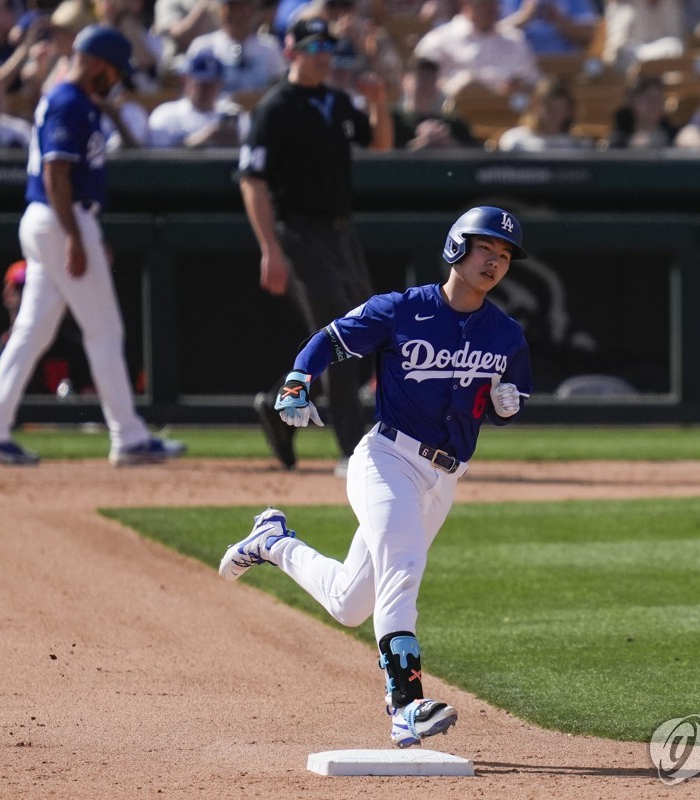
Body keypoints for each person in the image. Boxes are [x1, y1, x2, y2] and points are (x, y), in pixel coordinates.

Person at [218, 205, 532, 749]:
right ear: (457, 247)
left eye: (504, 255)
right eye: (486, 248)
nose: (495, 262)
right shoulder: (403, 309)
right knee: (403, 569)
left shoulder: (506, 334)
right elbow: (330, 339)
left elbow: (513, 395)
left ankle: (272, 543)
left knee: (349, 603)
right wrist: (296, 382)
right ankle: (405, 705)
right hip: (387, 461)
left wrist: (508, 404)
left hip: (445, 479)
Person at [0, 25, 186, 467]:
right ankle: (129, 436)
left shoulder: (73, 99)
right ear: (98, 63)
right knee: (104, 331)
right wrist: (74, 237)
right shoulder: (69, 101)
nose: (116, 79)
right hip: (58, 217)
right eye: (115, 71)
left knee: (32, 333)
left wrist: (84, 234)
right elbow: (56, 175)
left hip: (55, 219)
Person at [238, 15, 393, 472]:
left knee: (367, 333)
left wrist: (378, 102)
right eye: (311, 47)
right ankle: (352, 449)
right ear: (291, 53)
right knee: (341, 334)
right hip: (299, 233)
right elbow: (253, 181)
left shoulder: (335, 101)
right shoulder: (275, 108)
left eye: (326, 47)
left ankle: (277, 407)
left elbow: (380, 145)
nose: (321, 55)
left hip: (341, 234)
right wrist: (270, 248)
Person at [0, 260, 93, 397]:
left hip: (58, 418)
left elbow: (88, 401)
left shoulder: (73, 350)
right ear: (8, 295)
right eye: (26, 289)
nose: (34, 297)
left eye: (42, 290)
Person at [412, 0, 541, 97]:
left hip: (511, 115)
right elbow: (418, 84)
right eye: (484, 3)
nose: (491, 9)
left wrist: (519, 85)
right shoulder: (439, 39)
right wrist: (459, 84)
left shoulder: (515, 39)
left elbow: (535, 81)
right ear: (464, 3)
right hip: (456, 117)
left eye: (494, 3)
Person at [147, 42, 249, 147]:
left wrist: (236, 143)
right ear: (185, 81)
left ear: (220, 84)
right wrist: (197, 141)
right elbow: (156, 157)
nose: (207, 90)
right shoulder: (166, 115)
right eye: (201, 84)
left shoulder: (233, 114)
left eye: (212, 84)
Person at [187, 0, 286, 96]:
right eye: (232, 7)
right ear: (220, 10)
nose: (237, 14)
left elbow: (279, 85)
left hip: (257, 108)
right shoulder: (203, 46)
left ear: (253, 10)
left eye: (243, 7)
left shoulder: (269, 47)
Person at [390, 56, 476, 149]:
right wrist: (417, 145)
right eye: (421, 77)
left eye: (431, 79)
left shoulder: (454, 125)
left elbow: (475, 157)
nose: (426, 84)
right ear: (405, 81)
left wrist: (449, 144)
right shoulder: (392, 120)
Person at [497, 74, 590, 150]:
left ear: (569, 111)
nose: (554, 115)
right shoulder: (515, 141)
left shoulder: (579, 145)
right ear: (535, 108)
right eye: (549, 108)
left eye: (560, 109)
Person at [602, 0, 687, 73]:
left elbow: (675, 35)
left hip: (661, 55)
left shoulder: (669, 4)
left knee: (675, 45)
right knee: (625, 53)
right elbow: (616, 45)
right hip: (633, 56)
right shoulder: (625, 4)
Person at [499, 0, 599, 56]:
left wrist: (559, 20)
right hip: (515, 71)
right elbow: (487, 35)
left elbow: (591, 34)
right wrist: (524, 17)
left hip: (564, 68)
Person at [605, 73, 676, 148]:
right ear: (633, 102)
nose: (655, 106)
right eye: (650, 100)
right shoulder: (618, 140)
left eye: (659, 100)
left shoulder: (674, 136)